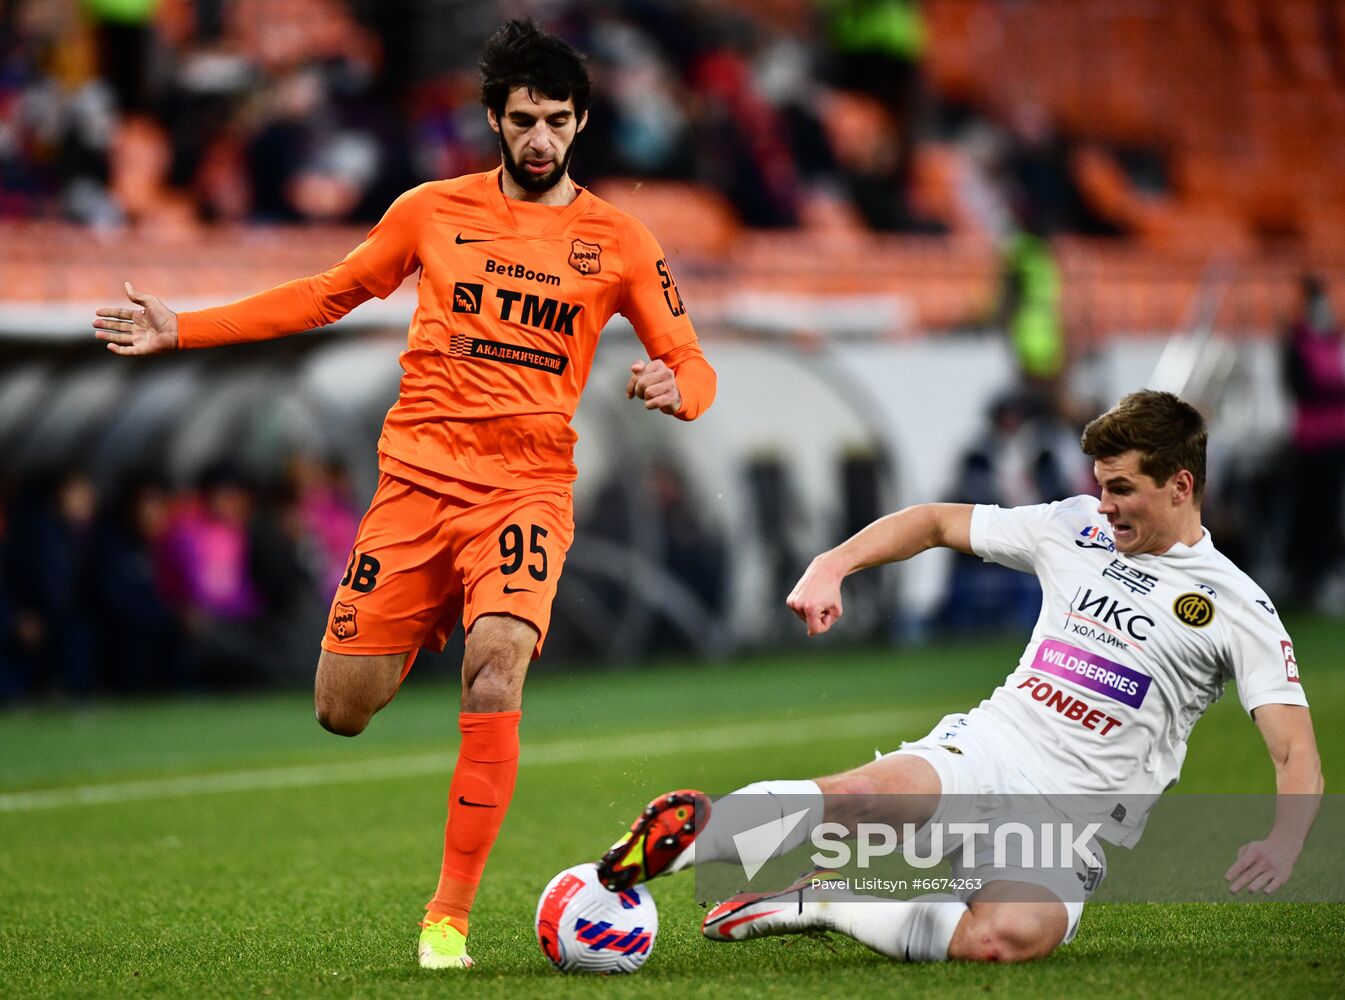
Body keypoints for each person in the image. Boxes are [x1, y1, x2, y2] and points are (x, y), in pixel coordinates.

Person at [92, 20, 716, 970]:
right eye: (522, 120)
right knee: (341, 709)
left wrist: (681, 389)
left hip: (525, 495)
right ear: (494, 123)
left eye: (556, 120)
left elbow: (693, 361)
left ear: (581, 122)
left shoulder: (620, 241)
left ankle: (447, 921)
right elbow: (327, 294)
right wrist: (184, 327)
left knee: (498, 671)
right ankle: (424, 616)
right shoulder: (430, 210)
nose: (540, 138)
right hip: (415, 490)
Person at [596, 390, 1320, 964]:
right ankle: (683, 838)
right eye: (1099, 486)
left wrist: (1284, 842)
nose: (1103, 504)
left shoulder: (1236, 607)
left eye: (1121, 488)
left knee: (999, 940)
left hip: (1069, 826)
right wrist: (832, 564)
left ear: (1179, 485)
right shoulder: (1072, 527)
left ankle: (823, 900)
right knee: (856, 798)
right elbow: (937, 521)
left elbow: (1293, 750)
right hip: (991, 751)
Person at [1280, 274, 1345, 610]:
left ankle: (1327, 571)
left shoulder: (1333, 339)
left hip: (1336, 439)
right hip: (1312, 440)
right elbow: (1303, 387)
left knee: (1330, 511)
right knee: (1312, 510)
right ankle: (1307, 576)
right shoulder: (1298, 341)